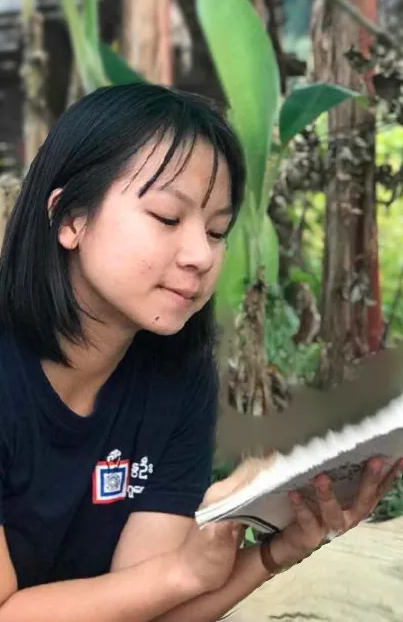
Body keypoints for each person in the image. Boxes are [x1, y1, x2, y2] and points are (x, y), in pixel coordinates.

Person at [0, 82, 400, 622]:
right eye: (167, 217)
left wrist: (274, 550)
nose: (200, 256)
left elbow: (145, 607)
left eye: (216, 231)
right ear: (71, 218)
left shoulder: (177, 378)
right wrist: (181, 571)